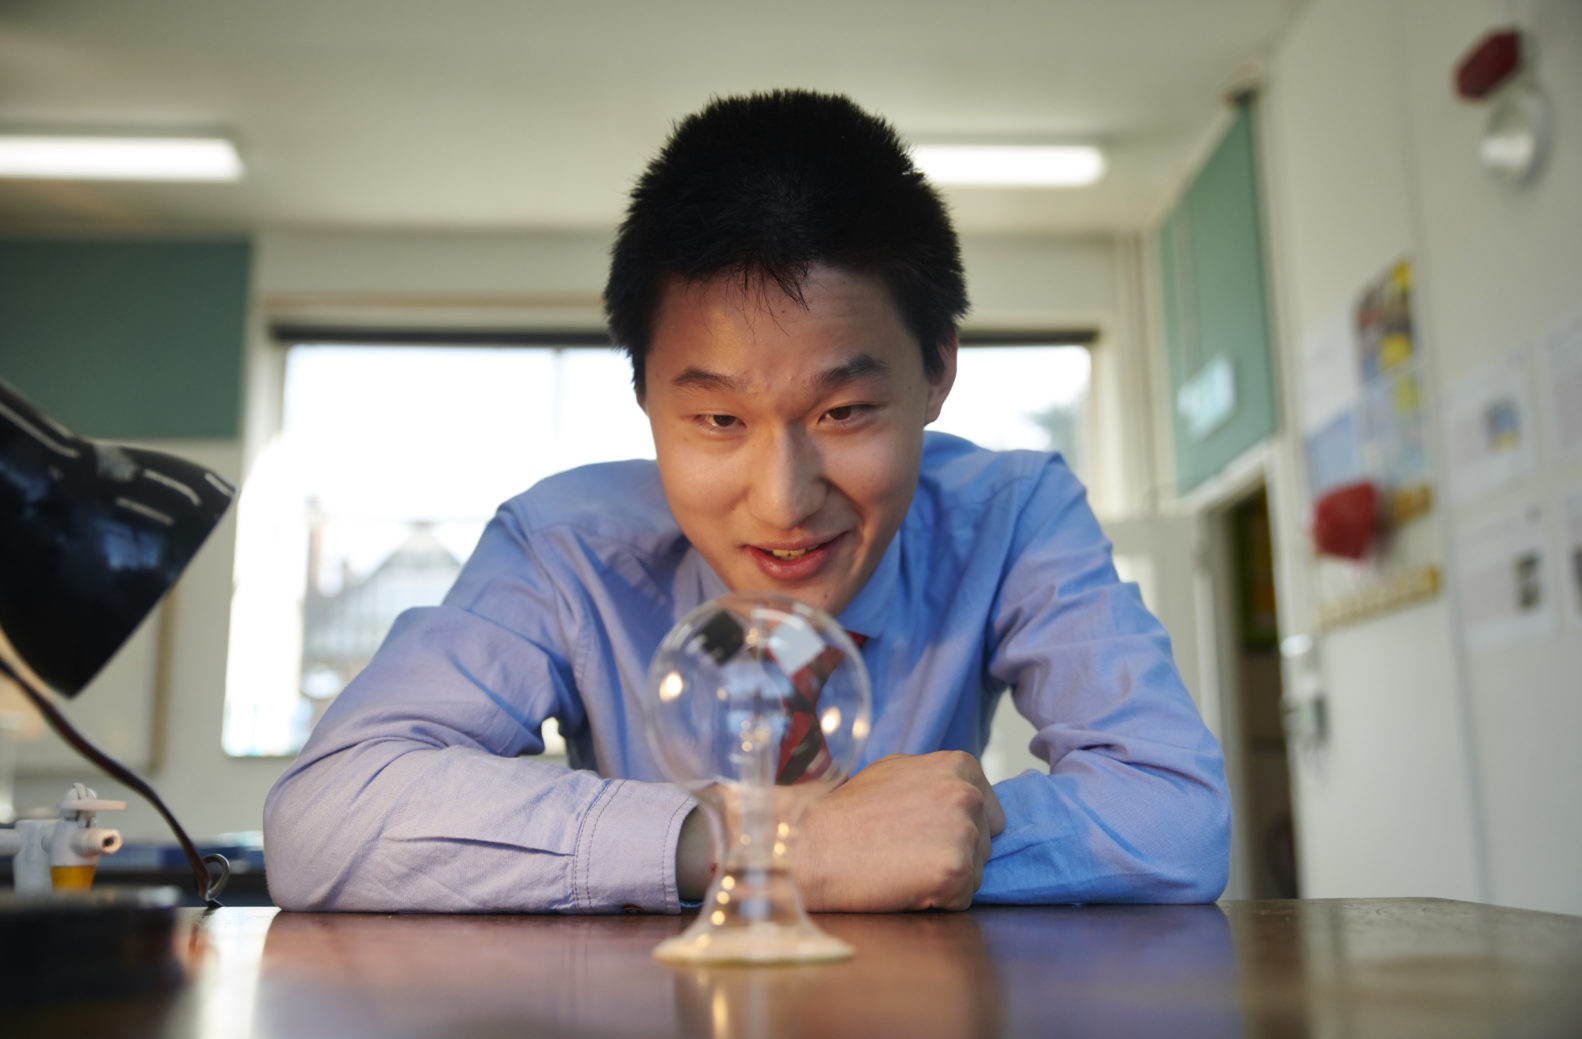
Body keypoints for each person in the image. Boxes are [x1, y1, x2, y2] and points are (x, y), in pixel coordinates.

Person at [263, 90, 1230, 913]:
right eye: (718, 421)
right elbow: (325, 817)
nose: (782, 501)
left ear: (938, 372)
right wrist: (777, 848)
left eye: (845, 410)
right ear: (645, 399)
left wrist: (935, 844)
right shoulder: (564, 547)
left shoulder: (1011, 514)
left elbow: (1174, 816)